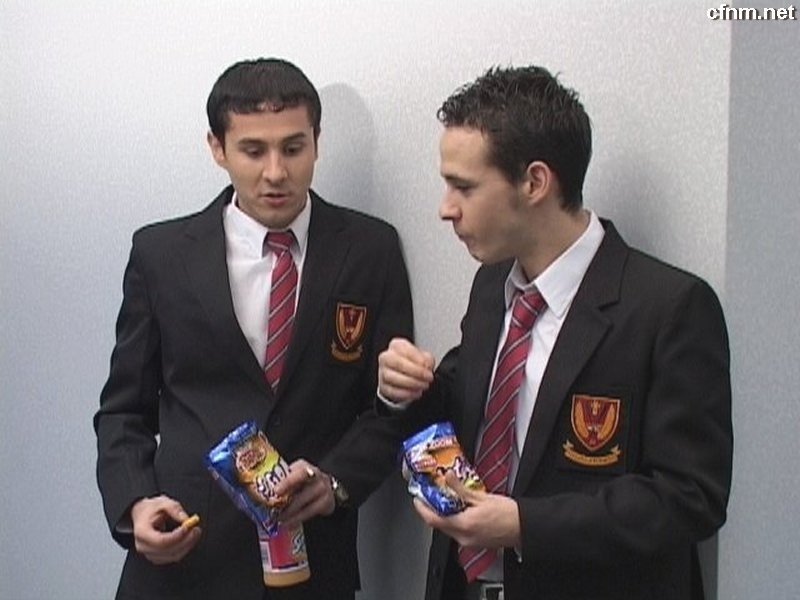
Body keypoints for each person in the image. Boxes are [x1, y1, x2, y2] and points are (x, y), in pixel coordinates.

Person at [378, 65, 732, 600]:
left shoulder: (669, 308)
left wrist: (525, 525)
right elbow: (473, 413)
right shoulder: (492, 285)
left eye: (463, 187)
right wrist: (405, 390)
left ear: (535, 183)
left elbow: (690, 497)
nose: (445, 209)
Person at [94, 57, 413, 600]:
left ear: (317, 143)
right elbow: (124, 409)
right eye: (253, 150)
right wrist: (134, 503)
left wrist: (336, 482)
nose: (276, 172)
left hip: (314, 564)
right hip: (184, 561)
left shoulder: (370, 250)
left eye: (293, 148)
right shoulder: (161, 254)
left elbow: (388, 411)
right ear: (217, 148)